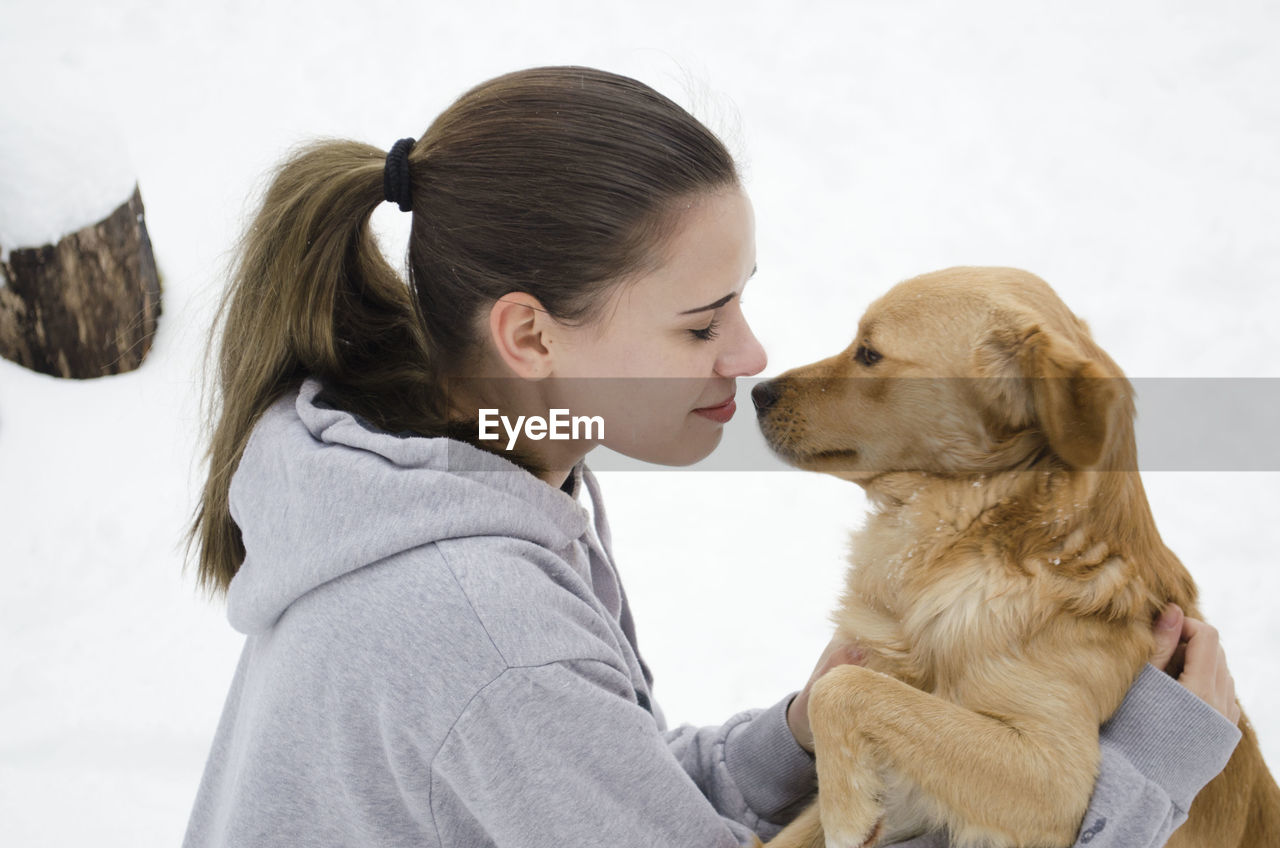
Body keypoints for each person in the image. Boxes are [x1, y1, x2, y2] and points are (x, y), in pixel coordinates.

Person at [182, 66, 1242, 848]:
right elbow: (536, 717)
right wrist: (1139, 784)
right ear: (530, 334)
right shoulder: (480, 619)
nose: (751, 356)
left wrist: (792, 735)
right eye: (700, 324)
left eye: (739, 302)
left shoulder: (473, 472)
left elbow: (594, 788)